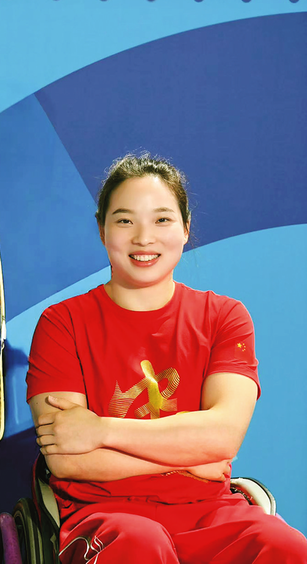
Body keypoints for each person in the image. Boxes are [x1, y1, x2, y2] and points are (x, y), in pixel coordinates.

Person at [26, 154, 307, 563]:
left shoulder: (224, 317)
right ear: (102, 229)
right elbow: (67, 457)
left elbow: (223, 437)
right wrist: (193, 458)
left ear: (185, 228)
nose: (144, 238)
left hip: (209, 511)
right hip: (105, 512)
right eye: (125, 220)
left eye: (162, 220)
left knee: (288, 548)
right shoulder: (62, 323)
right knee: (142, 543)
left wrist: (100, 430)